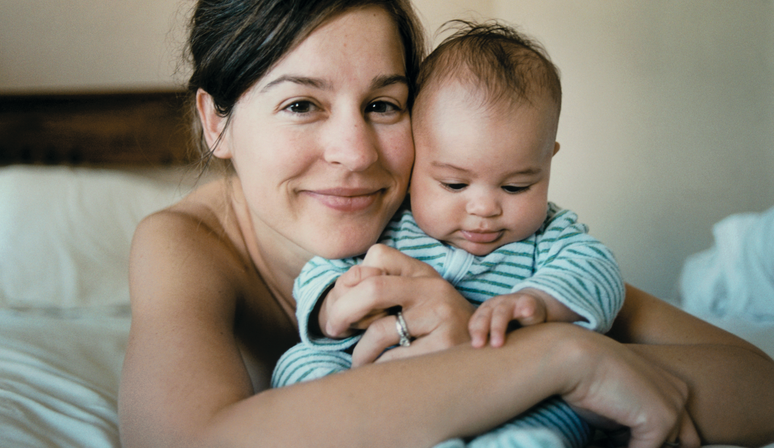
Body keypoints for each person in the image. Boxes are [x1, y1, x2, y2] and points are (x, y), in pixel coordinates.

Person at [117, 1, 774, 447]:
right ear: (217, 121)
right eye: (300, 103)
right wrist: (562, 360)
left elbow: (757, 385)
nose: (357, 154)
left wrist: (497, 339)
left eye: (382, 104)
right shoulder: (186, 244)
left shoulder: (447, 226)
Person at [272, 22, 624, 448]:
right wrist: (331, 305)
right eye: (455, 185)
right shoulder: (390, 226)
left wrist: (538, 303)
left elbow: (598, 268)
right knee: (301, 361)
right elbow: (322, 269)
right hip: (379, 383)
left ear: (547, 160)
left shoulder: (548, 234)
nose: (484, 208)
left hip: (501, 390)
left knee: (562, 409)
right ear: (418, 157)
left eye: (516, 187)